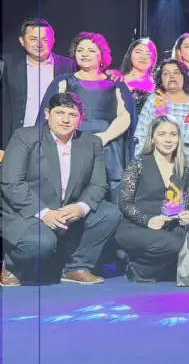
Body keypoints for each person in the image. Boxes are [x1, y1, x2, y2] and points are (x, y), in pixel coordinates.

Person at [1, 93, 120, 286]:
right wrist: (44, 212)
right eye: (60, 113)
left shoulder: (92, 142)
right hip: (29, 212)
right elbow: (11, 183)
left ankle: (76, 267)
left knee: (109, 213)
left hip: (67, 211)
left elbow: (98, 184)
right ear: (47, 114)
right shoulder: (25, 137)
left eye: (72, 115)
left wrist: (81, 207)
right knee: (40, 243)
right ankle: (12, 265)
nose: (65, 119)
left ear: (81, 118)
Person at [39, 32, 134, 202]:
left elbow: (125, 116)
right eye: (80, 50)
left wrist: (104, 137)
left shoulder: (115, 84)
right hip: (72, 143)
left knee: (110, 195)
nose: (84, 54)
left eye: (91, 50)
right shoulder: (63, 81)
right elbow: (52, 114)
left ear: (102, 55)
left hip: (108, 144)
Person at [115, 115, 189, 282]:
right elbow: (124, 202)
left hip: (170, 225)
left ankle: (164, 270)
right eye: (162, 134)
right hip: (137, 226)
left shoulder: (183, 169)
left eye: (173, 135)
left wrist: (188, 214)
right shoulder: (138, 164)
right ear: (153, 139)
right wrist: (148, 220)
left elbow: (185, 204)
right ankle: (138, 269)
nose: (168, 140)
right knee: (173, 244)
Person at [0, 18, 75, 153]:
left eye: (45, 40)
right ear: (22, 41)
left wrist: (112, 75)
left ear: (53, 41)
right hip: (14, 140)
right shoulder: (7, 63)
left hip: (54, 140)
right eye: (33, 39)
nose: (39, 44)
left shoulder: (67, 66)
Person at [134, 59, 189, 169]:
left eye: (176, 72)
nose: (171, 76)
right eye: (166, 73)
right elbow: (141, 134)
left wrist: (174, 132)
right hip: (156, 163)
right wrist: (139, 163)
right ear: (161, 79)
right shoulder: (154, 100)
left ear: (184, 77)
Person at [119, 37, 158, 112]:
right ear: (130, 55)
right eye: (138, 52)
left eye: (148, 54)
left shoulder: (159, 86)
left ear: (154, 59)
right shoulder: (116, 80)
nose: (143, 57)